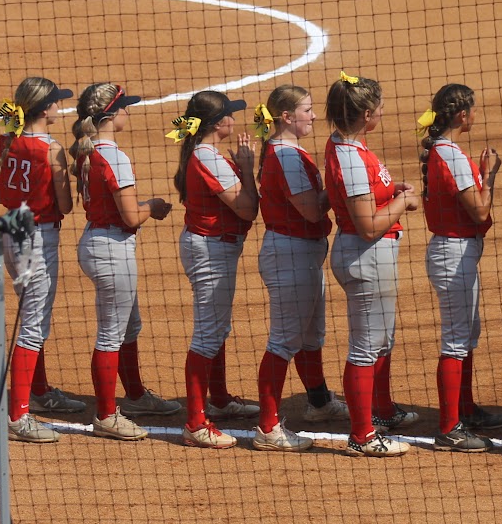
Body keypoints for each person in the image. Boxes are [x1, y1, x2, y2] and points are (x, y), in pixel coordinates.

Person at [70, 82, 176, 441]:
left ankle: (134, 397)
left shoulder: (88, 149)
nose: (128, 112)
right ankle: (105, 415)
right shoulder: (114, 155)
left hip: (99, 241)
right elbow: (131, 217)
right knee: (111, 335)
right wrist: (154, 207)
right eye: (125, 107)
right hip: (111, 248)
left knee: (129, 327)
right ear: (111, 115)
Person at [324, 70, 421, 458]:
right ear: (365, 114)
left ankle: (380, 412)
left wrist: (389, 191)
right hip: (366, 256)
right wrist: (404, 203)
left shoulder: (349, 146)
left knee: (381, 340)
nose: (382, 114)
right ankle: (362, 436)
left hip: (370, 256)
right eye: (379, 109)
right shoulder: (349, 157)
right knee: (365, 348)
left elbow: (364, 199)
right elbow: (367, 226)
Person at [251, 85, 346, 453]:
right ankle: (268, 427)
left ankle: (319, 403)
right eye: (307, 110)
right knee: (284, 341)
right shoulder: (287, 157)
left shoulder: (289, 151)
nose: (314, 115)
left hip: (301, 253)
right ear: (287, 117)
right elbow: (311, 209)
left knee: (309, 337)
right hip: (290, 255)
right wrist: (341, 184)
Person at [0, 77, 81, 444]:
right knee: (33, 323)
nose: (60, 106)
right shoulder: (52, 149)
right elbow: (66, 207)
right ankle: (18, 416)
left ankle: (40, 392)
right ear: (44, 109)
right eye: (56, 101)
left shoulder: (7, 139)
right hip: (38, 238)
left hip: (10, 231)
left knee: (33, 315)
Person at [170, 90, 260, 449]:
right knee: (208, 333)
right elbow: (247, 210)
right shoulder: (209, 159)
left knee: (217, 326)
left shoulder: (203, 153)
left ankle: (219, 399)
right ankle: (195, 422)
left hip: (211, 246)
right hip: (212, 250)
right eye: (230, 114)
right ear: (219, 122)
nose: (234, 119)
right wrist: (249, 171)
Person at [418, 83, 502, 453]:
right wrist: (491, 175)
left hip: (456, 252)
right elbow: (480, 210)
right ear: (462, 115)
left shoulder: (445, 151)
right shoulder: (450, 154)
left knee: (467, 333)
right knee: (456, 339)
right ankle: (450, 427)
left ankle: (465, 410)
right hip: (453, 254)